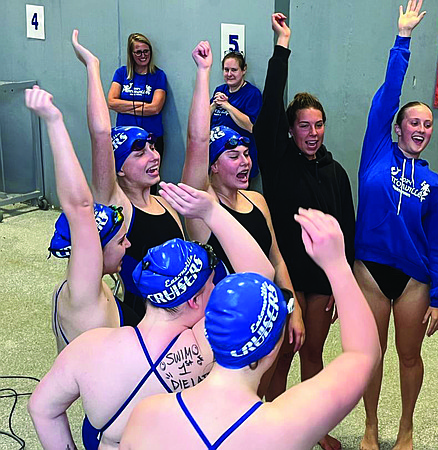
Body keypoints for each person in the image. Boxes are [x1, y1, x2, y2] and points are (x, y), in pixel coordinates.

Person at [28, 180, 274, 450]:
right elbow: (262, 278)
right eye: (211, 285)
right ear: (193, 300)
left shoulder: (88, 347)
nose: (215, 289)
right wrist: (211, 212)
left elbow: (41, 408)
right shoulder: (203, 346)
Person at [120, 208, 380, 450]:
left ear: (208, 332)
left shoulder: (145, 416)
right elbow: (363, 355)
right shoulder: (284, 428)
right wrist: (337, 266)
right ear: (274, 346)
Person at [253, 14, 356, 447]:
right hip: (285, 278)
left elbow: (346, 233)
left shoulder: (336, 173)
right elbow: (270, 106)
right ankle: (264, 429)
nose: (312, 134)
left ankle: (314, 429)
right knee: (278, 357)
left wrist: (339, 282)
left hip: (320, 281)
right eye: (303, 126)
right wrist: (282, 46)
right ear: (290, 131)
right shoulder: (277, 163)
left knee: (312, 354)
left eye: (318, 125)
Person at [182, 39, 304, 397]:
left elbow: (277, 259)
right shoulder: (202, 212)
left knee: (271, 390)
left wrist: (291, 308)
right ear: (213, 165)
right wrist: (204, 74)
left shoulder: (258, 201)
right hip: (224, 326)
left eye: (246, 154)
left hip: (266, 313)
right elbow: (195, 141)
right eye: (233, 156)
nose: (245, 162)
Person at [354, 2, 438, 449]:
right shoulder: (377, 150)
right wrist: (403, 39)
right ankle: (371, 427)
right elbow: (390, 93)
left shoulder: (434, 182)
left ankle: (406, 428)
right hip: (371, 271)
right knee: (371, 355)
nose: (421, 128)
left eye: (428, 125)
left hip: (413, 279)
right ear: (398, 128)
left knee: (409, 357)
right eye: (414, 121)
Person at [73, 31, 184, 318]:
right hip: (142, 321)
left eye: (152, 147)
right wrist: (92, 67)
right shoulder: (117, 205)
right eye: (140, 153)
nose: (154, 156)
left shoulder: (167, 203)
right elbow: (100, 134)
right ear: (118, 168)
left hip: (182, 316)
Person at [24, 85, 137, 354]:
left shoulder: (74, 289)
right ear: (93, 250)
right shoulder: (85, 299)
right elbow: (80, 206)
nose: (129, 245)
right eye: (121, 240)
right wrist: (53, 120)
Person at [108, 33, 167, 174]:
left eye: (146, 51)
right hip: (125, 140)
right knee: (123, 179)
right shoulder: (121, 74)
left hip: (151, 139)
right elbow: (111, 102)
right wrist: (142, 106)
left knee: (149, 179)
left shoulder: (158, 75)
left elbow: (155, 108)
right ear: (131, 53)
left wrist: (123, 106)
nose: (143, 55)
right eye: (138, 52)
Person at [210, 51, 263, 189]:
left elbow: (251, 126)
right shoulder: (219, 90)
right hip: (217, 158)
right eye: (226, 70)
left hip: (239, 158)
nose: (229, 74)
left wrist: (227, 106)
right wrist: (214, 104)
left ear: (243, 70)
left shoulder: (252, 94)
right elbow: (203, 120)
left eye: (234, 70)